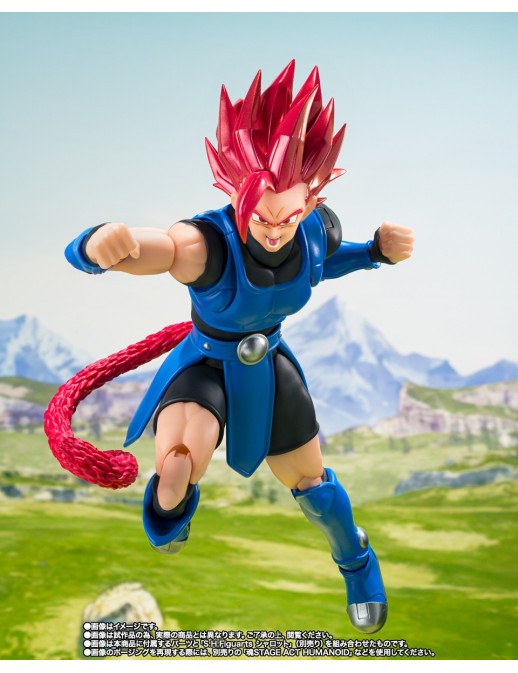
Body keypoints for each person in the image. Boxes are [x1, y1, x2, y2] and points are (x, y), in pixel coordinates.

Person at [57, 61, 414, 633]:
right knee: (178, 463)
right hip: (205, 362)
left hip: (270, 366)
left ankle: (355, 558)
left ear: (311, 199)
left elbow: (320, 264)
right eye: (262, 214)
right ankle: (172, 505)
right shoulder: (207, 245)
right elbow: (157, 250)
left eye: (289, 215)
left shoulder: (314, 230)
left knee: (314, 490)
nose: (274, 229)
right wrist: (99, 245)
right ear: (234, 191)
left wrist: (374, 252)